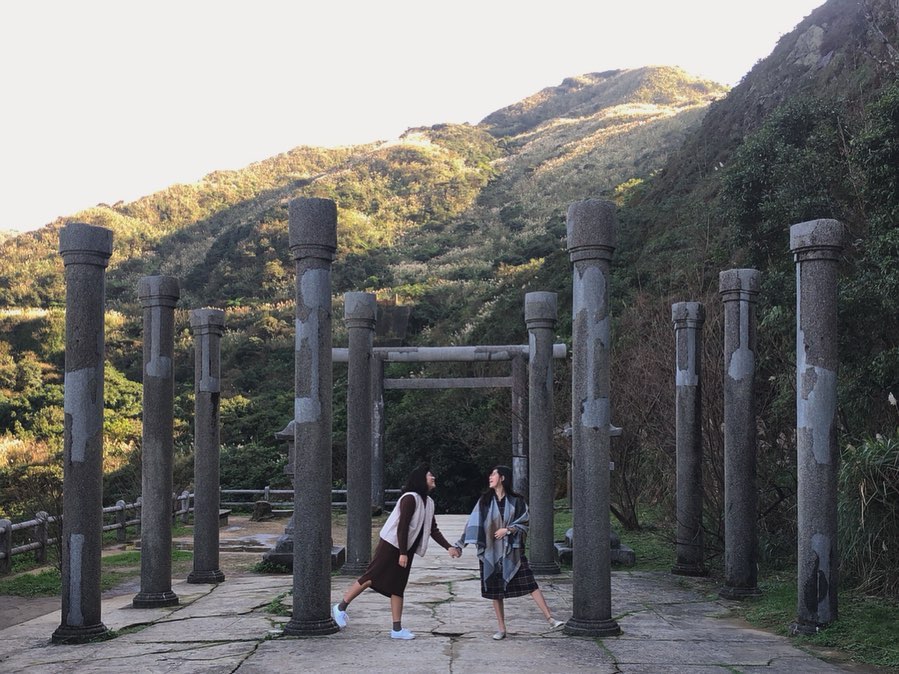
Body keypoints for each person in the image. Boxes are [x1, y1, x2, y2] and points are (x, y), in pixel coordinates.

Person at [332, 464, 460, 639]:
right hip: (392, 545)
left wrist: (448, 547)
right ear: (421, 479)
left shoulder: (429, 503)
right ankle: (340, 608)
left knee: (398, 587)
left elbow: (433, 529)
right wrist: (402, 553)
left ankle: (397, 629)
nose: (433, 478)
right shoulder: (409, 498)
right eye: (430, 475)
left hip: (405, 549)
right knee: (371, 577)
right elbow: (402, 527)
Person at [453, 465, 565, 640]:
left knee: (530, 583)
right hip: (490, 550)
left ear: (503, 478)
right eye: (490, 474)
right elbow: (472, 524)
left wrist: (509, 530)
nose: (490, 477)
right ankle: (501, 628)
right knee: (495, 591)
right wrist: (460, 545)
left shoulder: (517, 500)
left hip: (512, 551)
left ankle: (550, 619)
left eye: (494, 474)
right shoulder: (484, 501)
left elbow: (525, 522)